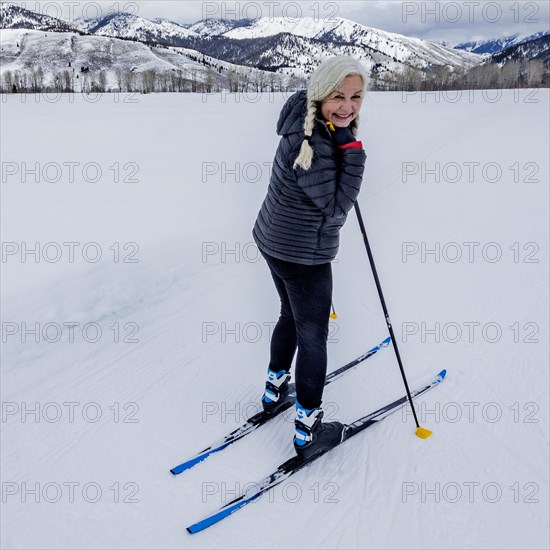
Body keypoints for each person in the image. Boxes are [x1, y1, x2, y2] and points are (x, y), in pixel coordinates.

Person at [252, 56, 368, 459]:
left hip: (274, 241)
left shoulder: (306, 123)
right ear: (320, 95)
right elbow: (337, 205)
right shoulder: (311, 143)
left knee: (290, 315)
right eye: (338, 96)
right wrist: (351, 151)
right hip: (303, 254)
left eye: (355, 97)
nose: (347, 106)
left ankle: (273, 390)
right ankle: (307, 432)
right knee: (313, 332)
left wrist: (341, 140)